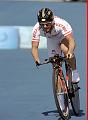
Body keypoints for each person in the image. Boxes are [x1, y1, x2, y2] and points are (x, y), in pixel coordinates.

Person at [31, 8, 80, 83]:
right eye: (42, 24)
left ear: (52, 21)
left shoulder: (60, 24)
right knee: (54, 62)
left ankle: (74, 71)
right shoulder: (36, 28)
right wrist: (36, 60)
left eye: (47, 24)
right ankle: (60, 89)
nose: (44, 27)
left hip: (63, 36)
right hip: (52, 40)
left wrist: (70, 52)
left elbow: (71, 40)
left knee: (65, 49)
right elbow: (34, 47)